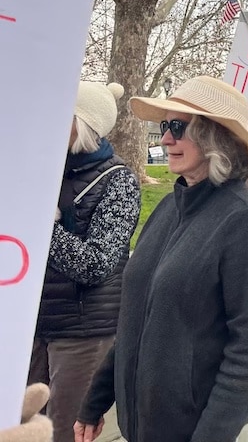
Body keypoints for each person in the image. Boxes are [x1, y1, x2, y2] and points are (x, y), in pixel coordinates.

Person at [75, 76, 248, 442]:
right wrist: (95, 400)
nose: (165, 138)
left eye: (177, 127)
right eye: (164, 126)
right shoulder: (169, 207)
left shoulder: (244, 218)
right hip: (146, 425)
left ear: (216, 137)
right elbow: (136, 317)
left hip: (206, 430)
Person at [27, 81, 140, 442]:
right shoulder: (43, 169)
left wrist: (46, 227)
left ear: (86, 125)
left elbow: (96, 264)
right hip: (33, 322)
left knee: (64, 430)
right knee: (24, 423)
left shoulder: (119, 182)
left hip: (82, 331)